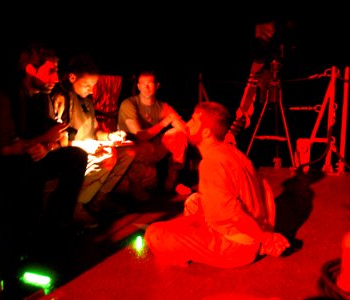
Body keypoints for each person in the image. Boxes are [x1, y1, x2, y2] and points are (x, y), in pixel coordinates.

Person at [144, 101, 290, 268]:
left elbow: (232, 214)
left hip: (236, 247)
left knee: (154, 234)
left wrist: (265, 239)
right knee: (194, 201)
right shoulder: (231, 151)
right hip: (253, 228)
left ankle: (193, 250)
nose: (188, 124)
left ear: (206, 132)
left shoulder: (211, 163)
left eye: (193, 120)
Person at [0, 43, 88, 276]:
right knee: (26, 172)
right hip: (11, 163)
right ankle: (21, 246)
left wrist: (47, 145)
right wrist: (44, 140)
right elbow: (5, 149)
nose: (56, 76)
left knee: (76, 157)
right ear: (32, 71)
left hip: (34, 154)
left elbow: (54, 134)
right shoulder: (7, 96)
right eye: (51, 70)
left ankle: (57, 225)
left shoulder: (43, 98)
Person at [54, 54, 135, 229]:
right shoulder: (63, 99)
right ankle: (76, 205)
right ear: (72, 78)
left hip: (92, 146)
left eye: (93, 86)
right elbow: (61, 143)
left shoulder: (88, 101)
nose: (91, 90)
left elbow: (95, 130)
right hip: (73, 153)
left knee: (128, 153)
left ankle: (99, 199)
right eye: (87, 85)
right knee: (107, 156)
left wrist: (110, 137)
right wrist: (87, 146)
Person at [118, 69, 189, 198]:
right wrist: (165, 122)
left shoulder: (162, 106)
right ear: (138, 86)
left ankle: (172, 182)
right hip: (131, 150)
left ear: (157, 86)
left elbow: (184, 130)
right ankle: (135, 187)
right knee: (145, 146)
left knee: (177, 135)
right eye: (143, 83)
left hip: (152, 148)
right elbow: (140, 135)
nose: (146, 87)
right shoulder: (129, 104)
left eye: (150, 83)